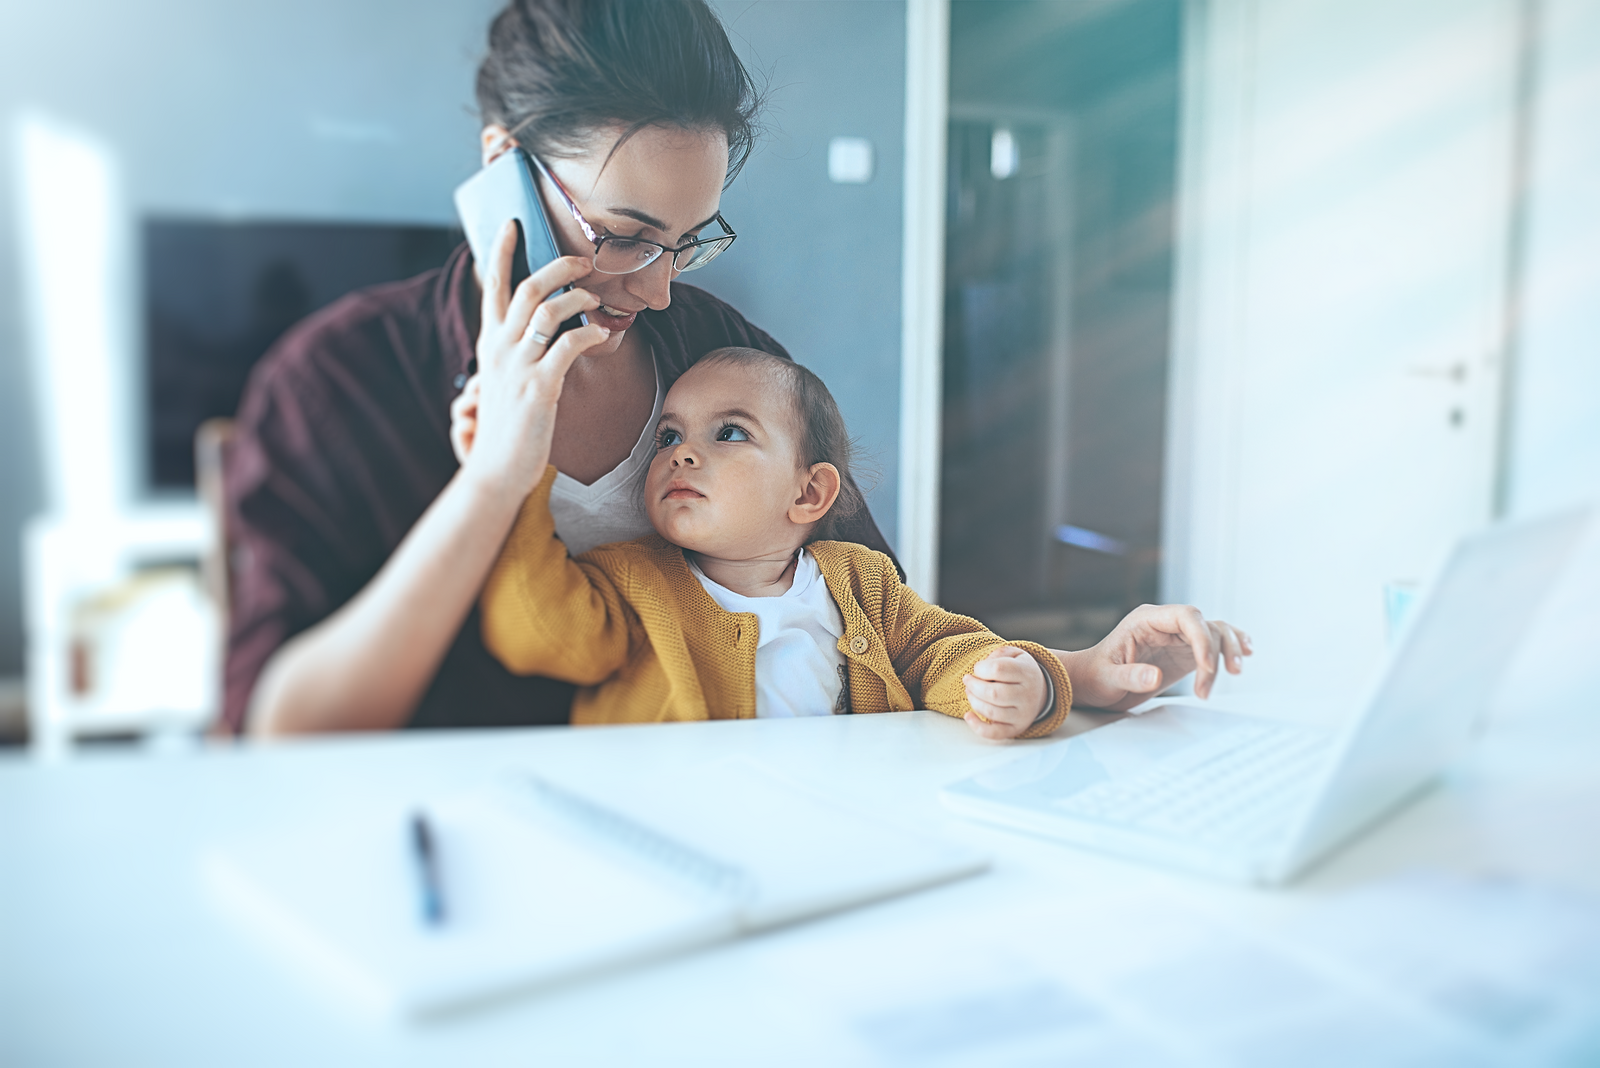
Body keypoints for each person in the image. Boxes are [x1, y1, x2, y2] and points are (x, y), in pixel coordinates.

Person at [231, 0, 1249, 737]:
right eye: (625, 234)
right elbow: (285, 733)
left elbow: (872, 625)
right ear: (504, 168)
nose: (659, 290)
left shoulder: (725, 362)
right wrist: (496, 479)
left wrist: (1076, 671)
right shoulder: (335, 382)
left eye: (686, 239)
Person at [464, 346, 1071, 739]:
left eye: (729, 432)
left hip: (848, 816)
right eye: (667, 437)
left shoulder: (863, 582)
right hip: (683, 827)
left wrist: (1021, 685)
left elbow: (945, 651)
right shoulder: (631, 580)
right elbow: (539, 632)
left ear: (809, 494)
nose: (683, 452)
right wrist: (515, 480)